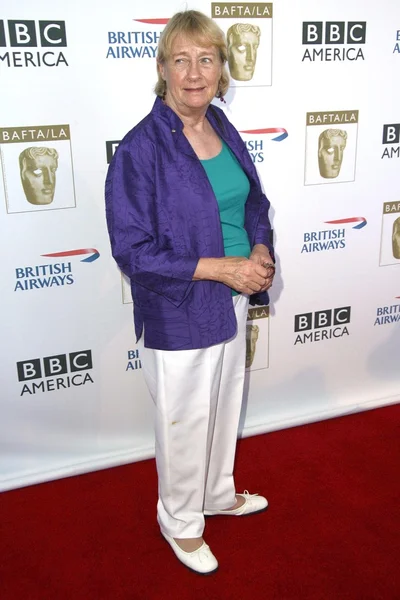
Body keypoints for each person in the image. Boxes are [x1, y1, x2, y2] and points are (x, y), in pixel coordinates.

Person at [105, 10, 275, 575]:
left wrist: (257, 250)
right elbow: (134, 252)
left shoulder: (221, 127)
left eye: (207, 59)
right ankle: (178, 521)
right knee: (183, 421)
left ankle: (217, 494)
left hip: (231, 296)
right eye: (181, 60)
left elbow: (253, 201)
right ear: (163, 69)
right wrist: (221, 269)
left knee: (225, 406)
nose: (194, 73)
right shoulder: (140, 149)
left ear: (222, 70)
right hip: (179, 307)